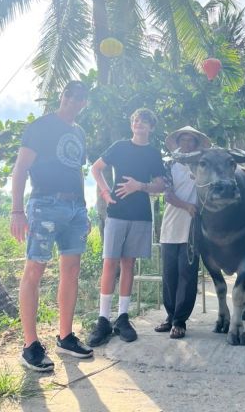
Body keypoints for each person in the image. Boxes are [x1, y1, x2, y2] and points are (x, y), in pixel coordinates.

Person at [11, 80, 93, 372]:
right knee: (35, 270)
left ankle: (65, 336)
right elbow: (21, 168)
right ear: (63, 96)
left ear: (84, 102)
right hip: (44, 204)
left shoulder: (79, 133)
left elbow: (78, 171)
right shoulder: (41, 126)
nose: (75, 101)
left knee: (71, 271)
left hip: (75, 209)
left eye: (81, 97)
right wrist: (17, 211)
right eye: (71, 95)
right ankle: (30, 345)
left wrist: (84, 209)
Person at [87, 108, 166, 346]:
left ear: (151, 127)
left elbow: (161, 185)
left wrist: (139, 186)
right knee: (110, 262)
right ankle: (103, 319)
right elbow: (96, 168)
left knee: (128, 264)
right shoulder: (120, 147)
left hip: (141, 215)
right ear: (132, 124)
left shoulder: (153, 153)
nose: (139, 125)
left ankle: (122, 317)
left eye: (144, 122)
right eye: (136, 121)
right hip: (117, 213)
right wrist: (104, 191)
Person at [154, 126, 211, 339]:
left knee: (187, 274)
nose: (187, 144)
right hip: (170, 224)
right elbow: (167, 194)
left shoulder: (201, 166)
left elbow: (207, 189)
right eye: (183, 140)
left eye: (191, 141)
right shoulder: (169, 165)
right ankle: (170, 317)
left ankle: (180, 321)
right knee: (169, 274)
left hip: (192, 227)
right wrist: (186, 205)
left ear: (197, 145)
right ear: (177, 143)